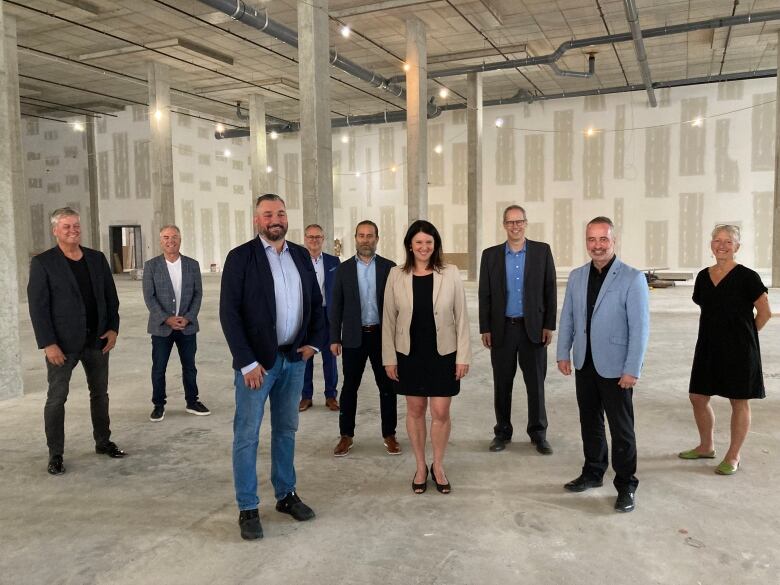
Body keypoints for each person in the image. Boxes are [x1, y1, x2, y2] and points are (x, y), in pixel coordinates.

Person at [219, 194, 326, 541]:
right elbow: (230, 314)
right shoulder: (241, 258)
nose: (275, 219)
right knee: (247, 435)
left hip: (293, 359)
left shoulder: (299, 255)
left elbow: (316, 303)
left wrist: (312, 342)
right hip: (257, 366)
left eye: (280, 213)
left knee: (286, 430)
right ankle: (248, 506)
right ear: (257, 220)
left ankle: (286, 494)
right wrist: (246, 362)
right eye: (268, 214)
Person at [556, 216, 649, 513]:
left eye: (603, 239)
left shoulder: (632, 278)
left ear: (614, 241)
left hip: (616, 367)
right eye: (591, 240)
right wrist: (563, 352)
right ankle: (593, 471)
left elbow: (640, 328)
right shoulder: (577, 276)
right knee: (590, 421)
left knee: (622, 429)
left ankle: (626, 484)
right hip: (585, 362)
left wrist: (632, 368)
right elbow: (568, 316)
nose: (597, 246)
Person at [27, 207, 125, 475]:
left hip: (97, 341)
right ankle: (55, 454)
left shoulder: (96, 258)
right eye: (67, 226)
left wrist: (113, 329)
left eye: (76, 226)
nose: (73, 230)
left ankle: (103, 441)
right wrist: (48, 343)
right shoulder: (44, 263)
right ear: (55, 231)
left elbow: (110, 298)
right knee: (57, 399)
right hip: (62, 345)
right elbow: (38, 308)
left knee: (100, 395)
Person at [382, 220, 471, 494]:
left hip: (443, 353)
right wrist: (389, 358)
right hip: (409, 353)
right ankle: (421, 466)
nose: (424, 247)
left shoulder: (451, 273)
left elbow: (462, 316)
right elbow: (388, 319)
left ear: (436, 245)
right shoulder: (396, 274)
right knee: (415, 410)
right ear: (410, 244)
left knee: (441, 412)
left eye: (429, 243)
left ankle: (439, 465)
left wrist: (463, 356)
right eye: (419, 242)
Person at [679, 224, 771, 475]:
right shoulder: (702, 277)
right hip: (708, 346)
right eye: (717, 240)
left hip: (740, 349)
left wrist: (746, 337)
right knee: (697, 397)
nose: (722, 245)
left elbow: (765, 313)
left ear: (737, 247)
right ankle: (706, 446)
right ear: (711, 245)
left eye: (728, 241)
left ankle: (733, 455)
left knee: (738, 401)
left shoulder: (747, 277)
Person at [479, 205, 557, 455]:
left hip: (532, 329)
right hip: (502, 329)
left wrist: (548, 325)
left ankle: (538, 433)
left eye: (519, 221)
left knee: (536, 384)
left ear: (526, 223)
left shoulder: (541, 252)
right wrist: (485, 327)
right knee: (502, 384)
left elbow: (550, 290)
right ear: (504, 225)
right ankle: (502, 432)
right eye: (510, 222)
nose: (515, 226)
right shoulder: (490, 256)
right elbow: (485, 295)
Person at [329, 221, 400, 457]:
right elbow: (336, 305)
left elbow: (398, 306)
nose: (365, 240)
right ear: (355, 238)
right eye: (361, 235)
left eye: (370, 235)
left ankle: (389, 434)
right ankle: (346, 436)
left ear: (377, 238)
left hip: (382, 337)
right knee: (349, 388)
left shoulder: (390, 268)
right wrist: (334, 338)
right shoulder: (344, 269)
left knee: (387, 387)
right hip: (352, 338)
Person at [143, 225, 209, 421]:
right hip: (161, 327)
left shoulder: (192, 264)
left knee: (189, 366)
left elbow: (198, 294)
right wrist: (167, 318)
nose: (170, 240)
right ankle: (158, 404)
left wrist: (188, 317)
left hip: (187, 326)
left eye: (174, 237)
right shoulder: (151, 266)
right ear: (160, 241)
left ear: (180, 239)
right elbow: (149, 296)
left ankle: (192, 401)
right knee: (159, 367)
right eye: (165, 237)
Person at [299, 224, 340, 412]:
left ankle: (331, 395)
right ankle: (306, 396)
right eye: (310, 237)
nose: (314, 240)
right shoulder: (297, 260)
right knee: (305, 356)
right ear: (305, 239)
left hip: (328, 314)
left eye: (318, 237)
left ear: (323, 239)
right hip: (306, 315)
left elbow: (339, 291)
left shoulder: (333, 262)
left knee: (330, 356)